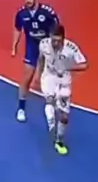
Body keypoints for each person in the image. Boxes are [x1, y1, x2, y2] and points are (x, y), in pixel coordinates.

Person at [36, 23, 88, 155]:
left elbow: (84, 65)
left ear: (63, 39)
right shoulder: (43, 44)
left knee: (64, 117)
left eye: (58, 41)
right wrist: (38, 75)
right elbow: (41, 59)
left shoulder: (71, 49)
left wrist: (69, 67)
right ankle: (51, 123)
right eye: (53, 40)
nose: (55, 43)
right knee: (49, 99)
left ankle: (59, 140)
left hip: (64, 81)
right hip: (49, 77)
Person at [11, 0, 59, 122]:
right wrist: (14, 45)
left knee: (52, 77)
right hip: (32, 47)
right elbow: (17, 29)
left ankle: (55, 104)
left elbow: (57, 31)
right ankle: (21, 108)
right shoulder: (21, 14)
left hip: (48, 47)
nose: (28, 1)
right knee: (27, 77)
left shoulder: (47, 12)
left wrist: (56, 48)